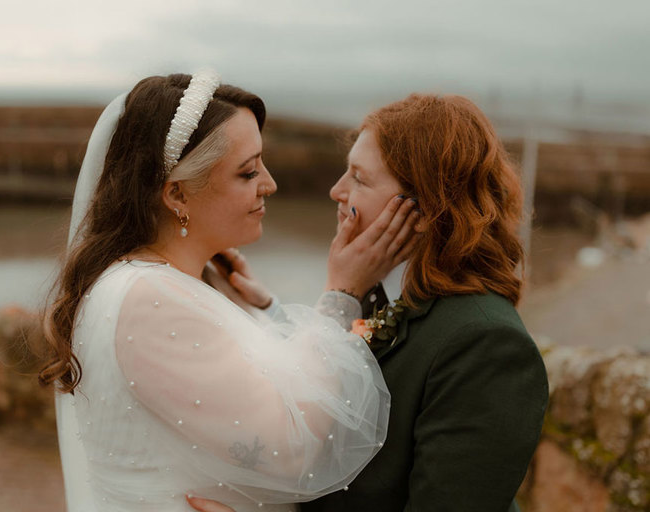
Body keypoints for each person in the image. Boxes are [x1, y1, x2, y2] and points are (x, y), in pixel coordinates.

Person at [37, 70, 420, 512]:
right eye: (248, 171)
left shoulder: (156, 283)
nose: (270, 184)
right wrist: (342, 291)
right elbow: (291, 453)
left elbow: (248, 389)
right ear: (177, 194)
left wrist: (265, 310)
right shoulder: (152, 301)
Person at [188, 94, 549, 512]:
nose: (336, 191)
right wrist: (268, 309)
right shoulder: (381, 298)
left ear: (427, 205)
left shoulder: (487, 345)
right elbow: (333, 377)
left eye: (359, 178)